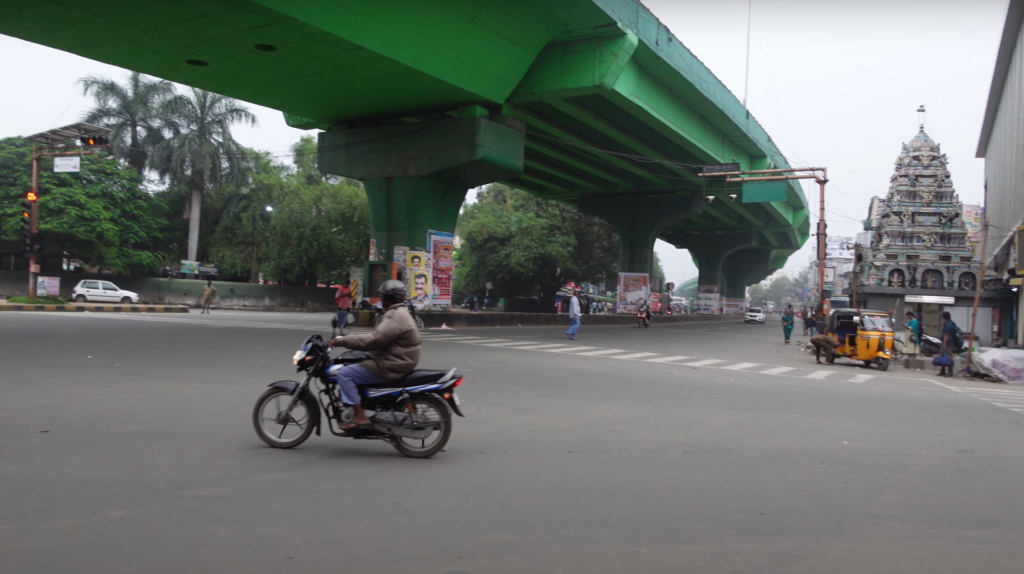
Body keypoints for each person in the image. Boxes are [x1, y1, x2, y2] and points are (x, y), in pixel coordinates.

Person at [328, 280, 421, 431]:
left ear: (389, 297)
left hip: (391, 364)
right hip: (398, 360)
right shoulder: (400, 312)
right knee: (356, 361)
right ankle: (364, 404)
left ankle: (360, 416)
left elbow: (375, 339)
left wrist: (344, 341)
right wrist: (353, 338)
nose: (380, 299)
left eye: (382, 296)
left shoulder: (394, 316)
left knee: (345, 374)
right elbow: (378, 336)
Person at [939, 311, 958, 376]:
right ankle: (943, 371)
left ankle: (949, 372)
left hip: (948, 343)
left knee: (948, 357)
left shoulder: (948, 324)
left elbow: (946, 335)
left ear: (944, 317)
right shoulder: (950, 323)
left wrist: (944, 344)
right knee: (943, 356)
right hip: (950, 342)